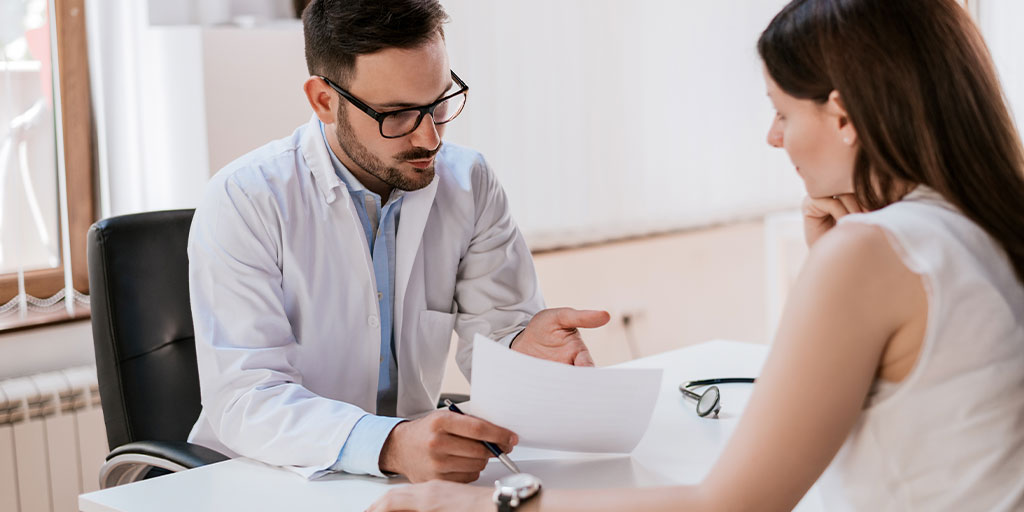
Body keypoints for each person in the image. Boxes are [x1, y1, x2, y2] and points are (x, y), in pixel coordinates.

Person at [368, 0, 1024, 510]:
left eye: (781, 112)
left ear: (843, 115)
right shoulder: (984, 221)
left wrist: (486, 505)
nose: (773, 138)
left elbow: (732, 503)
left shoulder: (871, 253)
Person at [186, 0, 610, 482]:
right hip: (266, 478)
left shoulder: (469, 183)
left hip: (406, 479)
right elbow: (246, 398)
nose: (430, 137)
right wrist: (387, 443)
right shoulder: (245, 198)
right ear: (324, 100)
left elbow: (495, 334)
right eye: (399, 114)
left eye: (439, 102)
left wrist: (524, 354)